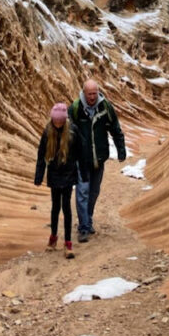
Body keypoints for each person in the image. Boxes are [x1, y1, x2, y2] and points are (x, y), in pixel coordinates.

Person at [69, 79, 126, 243]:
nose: (92, 97)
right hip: (82, 159)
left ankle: (88, 218)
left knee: (93, 192)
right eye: (89, 94)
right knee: (82, 192)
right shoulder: (75, 109)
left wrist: (121, 150)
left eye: (95, 93)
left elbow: (115, 129)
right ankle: (84, 228)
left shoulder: (105, 107)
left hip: (99, 159)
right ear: (84, 93)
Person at [34, 102, 82, 258]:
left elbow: (81, 152)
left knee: (66, 207)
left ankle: (68, 242)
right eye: (56, 121)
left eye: (60, 121)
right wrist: (39, 176)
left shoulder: (73, 131)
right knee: (55, 206)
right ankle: (53, 237)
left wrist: (84, 173)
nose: (58, 124)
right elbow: (41, 154)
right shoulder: (48, 132)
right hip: (54, 173)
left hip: (68, 173)